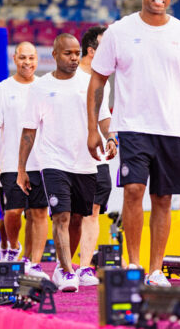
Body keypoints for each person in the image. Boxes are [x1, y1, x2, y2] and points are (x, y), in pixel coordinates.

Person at [86, 0, 180, 287]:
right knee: (133, 190)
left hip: (172, 129)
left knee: (162, 198)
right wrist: (93, 129)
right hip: (132, 127)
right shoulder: (119, 31)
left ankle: (155, 270)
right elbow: (97, 80)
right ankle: (134, 265)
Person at [17, 34, 115, 292]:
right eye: (67, 53)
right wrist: (21, 169)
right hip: (53, 161)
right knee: (61, 215)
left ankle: (64, 265)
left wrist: (111, 137)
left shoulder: (92, 83)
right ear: (54, 55)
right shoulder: (39, 87)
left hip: (86, 162)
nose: (73, 58)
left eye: (76, 53)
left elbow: (104, 117)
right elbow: (29, 130)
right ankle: (68, 271)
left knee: (77, 218)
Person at [0, 42, 49, 279]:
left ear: (37, 59)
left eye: (31, 58)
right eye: (23, 58)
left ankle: (33, 263)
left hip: (40, 162)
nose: (27, 63)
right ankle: (14, 246)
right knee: (13, 212)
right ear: (14, 59)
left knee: (39, 213)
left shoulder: (45, 87)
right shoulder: (2, 89)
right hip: (11, 163)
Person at [68, 25, 115, 286]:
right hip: (68, 156)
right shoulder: (68, 77)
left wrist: (111, 137)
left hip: (96, 156)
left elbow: (104, 115)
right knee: (73, 216)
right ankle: (65, 266)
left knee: (94, 211)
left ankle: (84, 267)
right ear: (91, 50)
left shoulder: (103, 81)